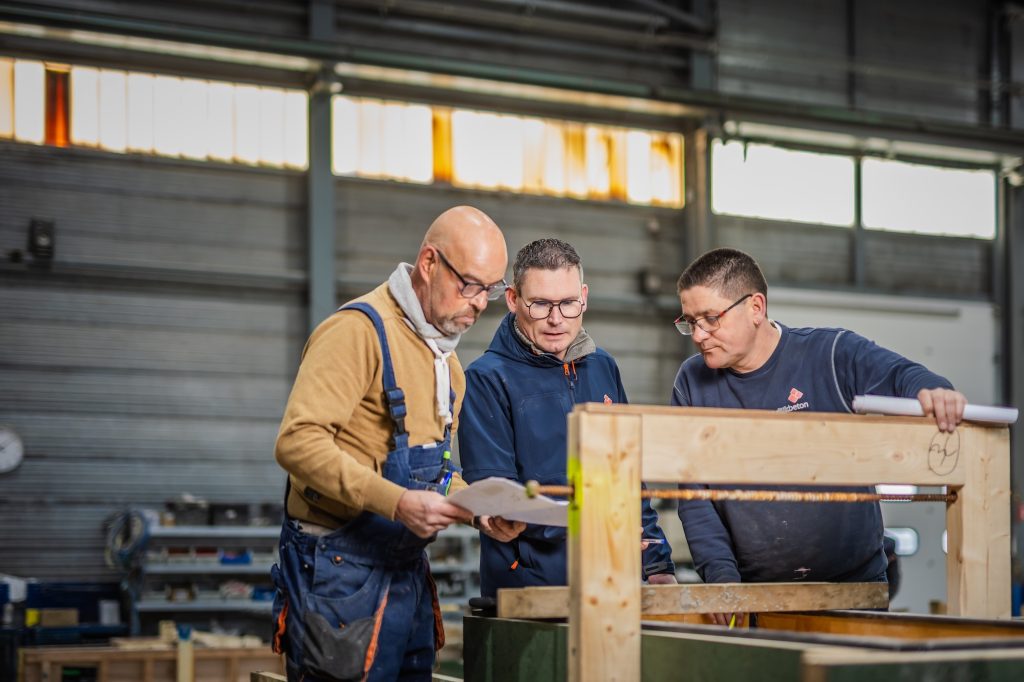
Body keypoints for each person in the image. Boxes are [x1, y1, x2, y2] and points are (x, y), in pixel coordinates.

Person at [271, 206, 525, 681]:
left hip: (407, 572)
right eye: (469, 284)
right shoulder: (357, 333)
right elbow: (296, 442)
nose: (478, 304)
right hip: (339, 574)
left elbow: (440, 471)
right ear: (429, 263)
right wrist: (398, 501)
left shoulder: (447, 368)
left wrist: (477, 511)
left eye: (490, 290)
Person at [671, 247, 966, 626]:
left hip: (854, 591)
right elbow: (694, 496)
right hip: (759, 597)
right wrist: (722, 580)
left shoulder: (830, 354)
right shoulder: (692, 384)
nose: (698, 335)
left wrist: (935, 390)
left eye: (711, 319)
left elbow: (902, 375)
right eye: (689, 321)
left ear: (756, 307)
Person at [459, 238, 676, 599]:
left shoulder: (603, 367)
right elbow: (496, 497)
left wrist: (655, 563)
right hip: (528, 590)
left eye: (568, 303)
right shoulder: (487, 379)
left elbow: (629, 475)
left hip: (611, 586)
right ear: (513, 300)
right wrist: (591, 522)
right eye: (541, 304)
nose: (556, 319)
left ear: (584, 297)